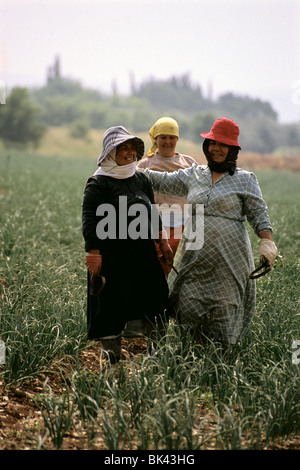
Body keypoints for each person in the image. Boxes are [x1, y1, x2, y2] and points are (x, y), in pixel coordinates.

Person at [142, 117, 278, 350]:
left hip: (230, 259)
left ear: (232, 150)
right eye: (213, 143)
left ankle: (221, 362)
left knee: (224, 308)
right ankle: (191, 361)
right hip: (195, 255)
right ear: (206, 146)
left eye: (222, 145)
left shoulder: (245, 180)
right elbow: (161, 181)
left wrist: (267, 241)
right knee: (189, 306)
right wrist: (127, 171)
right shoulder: (194, 174)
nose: (216, 148)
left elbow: (258, 213)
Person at [82, 126, 173, 363]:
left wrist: (162, 240)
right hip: (112, 257)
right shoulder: (99, 183)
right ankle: (112, 364)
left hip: (143, 254)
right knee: (111, 306)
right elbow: (90, 218)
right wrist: (93, 252)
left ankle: (158, 362)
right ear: (111, 152)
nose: (130, 153)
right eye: (124, 148)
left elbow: (152, 211)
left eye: (133, 148)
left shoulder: (140, 178)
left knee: (156, 300)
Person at [137, 117, 196, 275]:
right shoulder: (145, 165)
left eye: (172, 137)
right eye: (163, 137)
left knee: (181, 270)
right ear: (156, 139)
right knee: (155, 269)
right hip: (155, 226)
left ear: (177, 139)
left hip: (184, 226)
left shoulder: (189, 162)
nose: (167, 141)